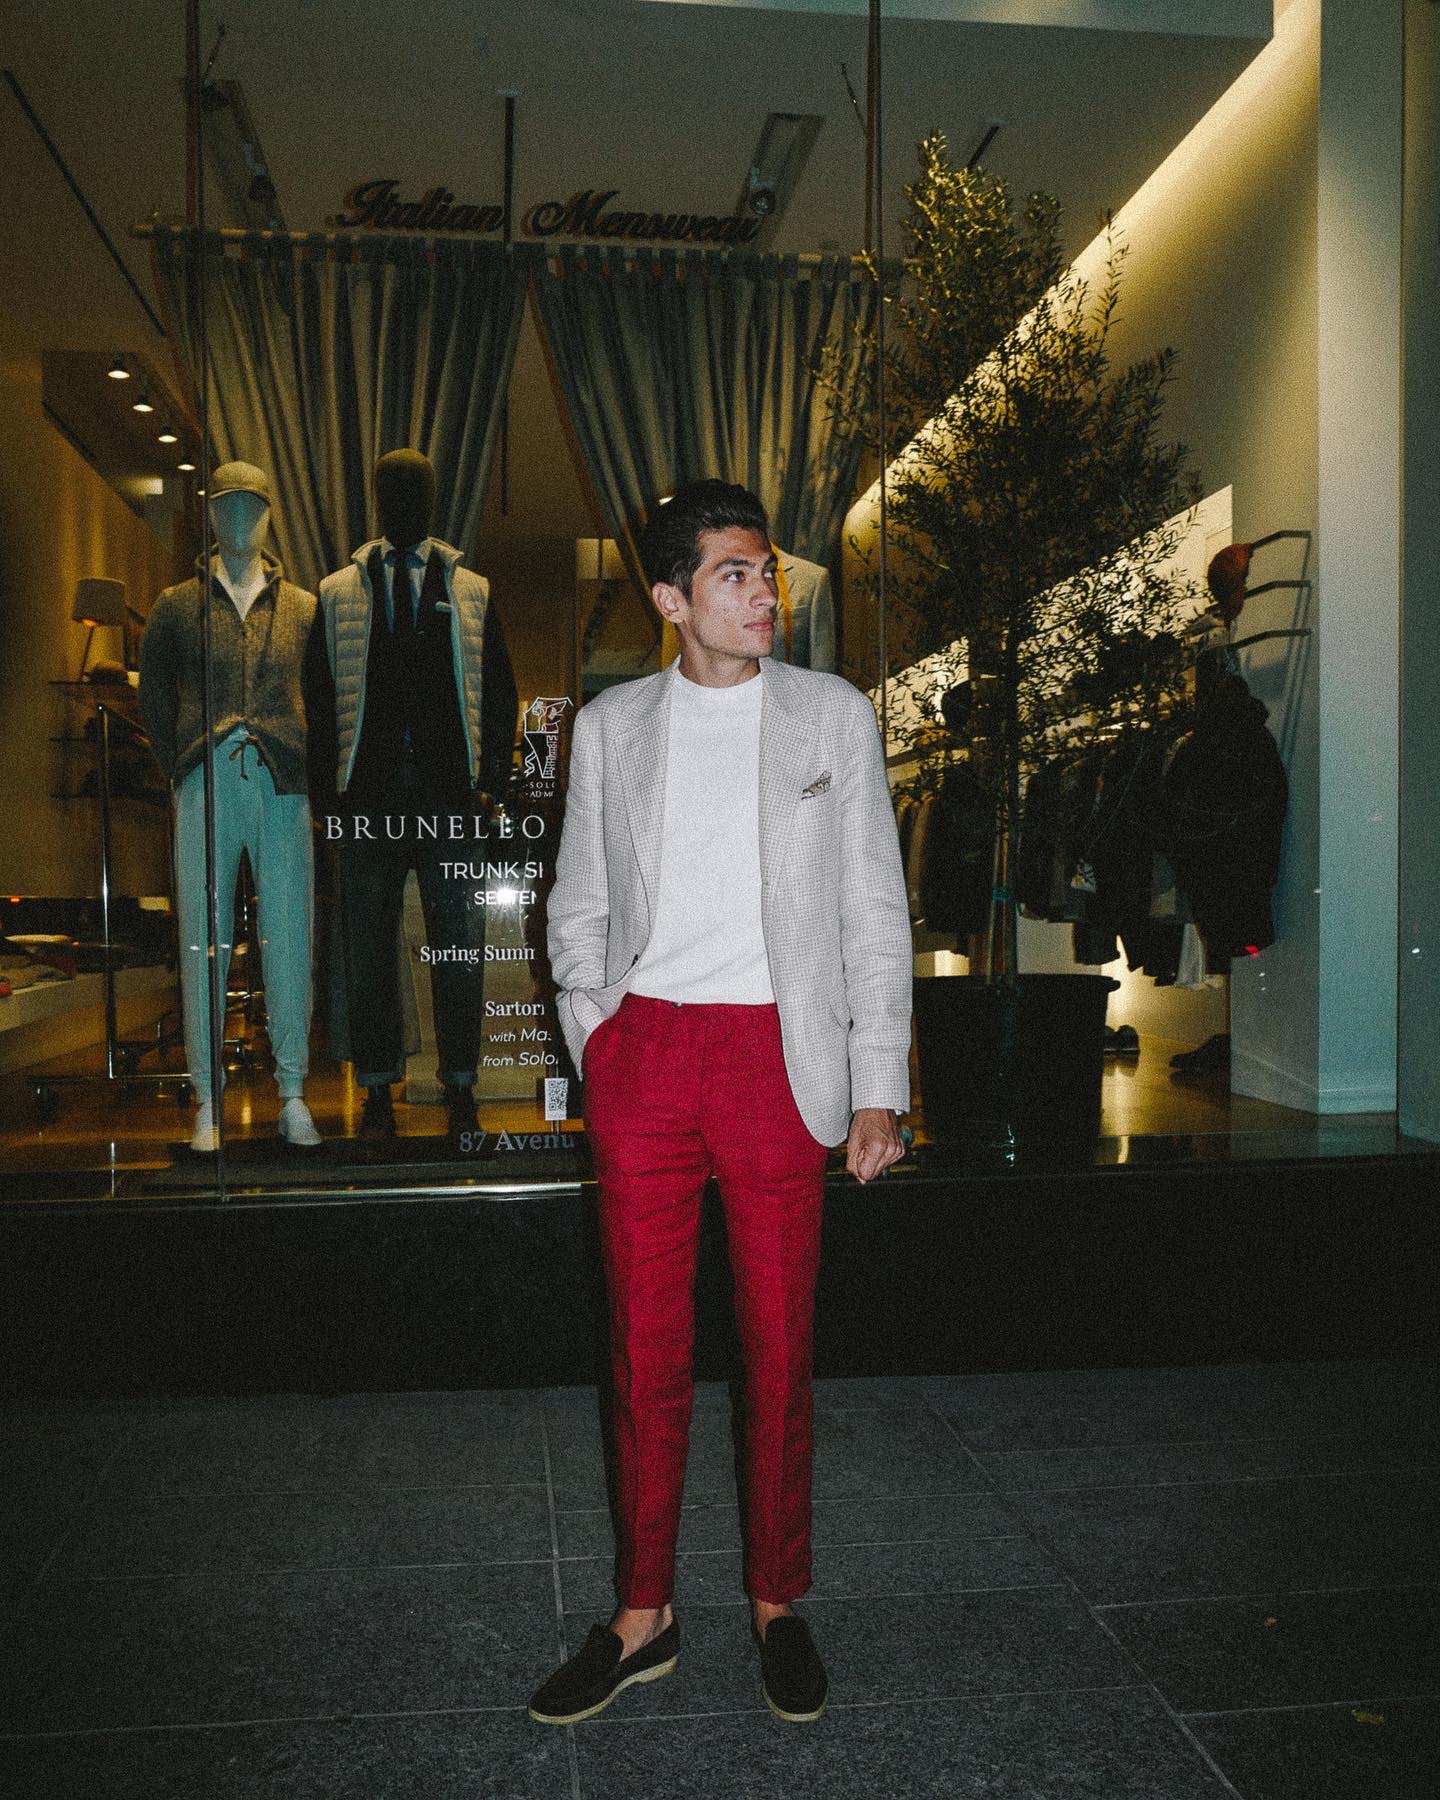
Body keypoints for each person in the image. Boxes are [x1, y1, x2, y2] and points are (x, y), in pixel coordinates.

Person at [531, 480, 912, 1727]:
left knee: (777, 1346)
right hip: (649, 1059)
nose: (766, 594)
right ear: (670, 597)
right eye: (737, 574)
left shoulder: (831, 717)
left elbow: (871, 908)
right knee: (643, 1349)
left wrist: (879, 1086)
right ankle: (643, 1614)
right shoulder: (612, 727)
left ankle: (775, 1599)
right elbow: (575, 901)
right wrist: (602, 1038)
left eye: (769, 572)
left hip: (776, 1063)